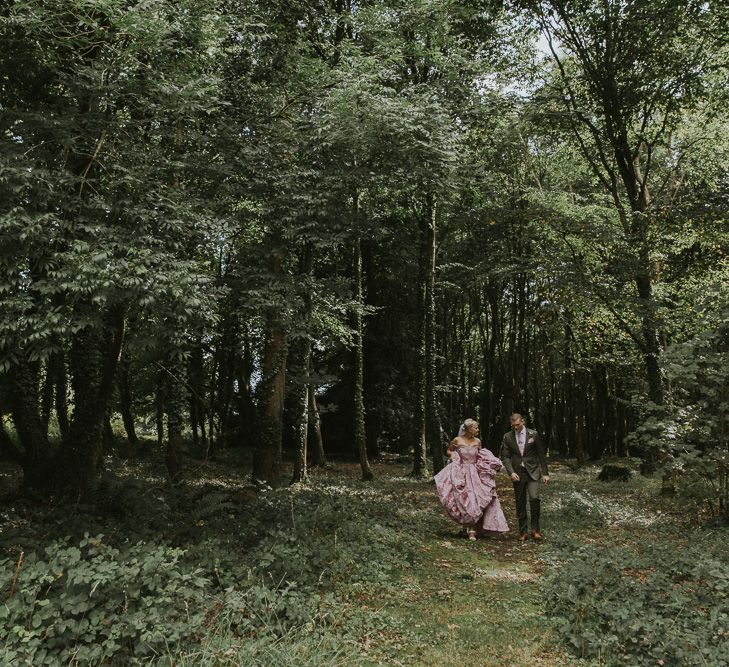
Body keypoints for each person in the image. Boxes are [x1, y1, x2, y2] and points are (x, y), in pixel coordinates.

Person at [434, 418, 509, 540]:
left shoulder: (477, 441)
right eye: (476, 427)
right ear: (468, 429)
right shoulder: (457, 440)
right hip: (461, 472)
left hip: (475, 473)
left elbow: (479, 455)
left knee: (476, 499)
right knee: (464, 498)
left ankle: (473, 529)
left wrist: (488, 463)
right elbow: (448, 450)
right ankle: (468, 527)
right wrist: (452, 455)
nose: (478, 429)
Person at [500, 413, 550, 541]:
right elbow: (505, 456)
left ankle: (535, 529)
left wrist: (545, 473)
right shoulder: (507, 437)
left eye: (518, 425)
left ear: (523, 421)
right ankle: (523, 532)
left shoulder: (533, 434)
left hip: (533, 471)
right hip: (518, 473)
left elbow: (541, 454)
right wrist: (511, 472)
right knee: (520, 501)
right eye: (513, 426)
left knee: (534, 498)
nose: (516, 428)